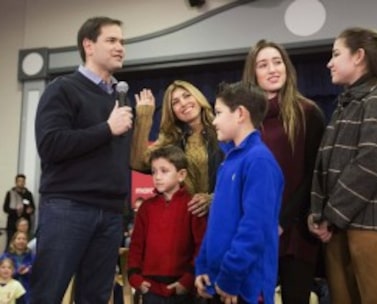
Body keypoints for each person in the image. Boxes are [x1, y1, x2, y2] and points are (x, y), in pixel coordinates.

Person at [308, 27, 377, 304]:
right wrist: (318, 214)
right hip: (342, 226)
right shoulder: (348, 103)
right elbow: (327, 165)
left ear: (358, 56)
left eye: (336, 54)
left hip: (374, 227)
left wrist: (330, 215)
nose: (329, 62)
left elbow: (371, 163)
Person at [31, 16, 132, 303]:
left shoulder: (121, 98)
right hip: (68, 208)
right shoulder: (62, 89)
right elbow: (50, 144)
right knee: (47, 295)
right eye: (111, 40)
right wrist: (106, 129)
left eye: (122, 42)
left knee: (96, 298)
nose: (120, 48)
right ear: (88, 45)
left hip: (111, 214)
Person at [242, 39, 325, 303]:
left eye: (277, 62)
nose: (272, 69)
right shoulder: (242, 119)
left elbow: (315, 174)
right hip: (254, 229)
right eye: (263, 64)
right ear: (253, 73)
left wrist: (281, 221)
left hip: (295, 231)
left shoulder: (309, 113)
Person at [195, 81, 284, 304]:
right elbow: (216, 223)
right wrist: (203, 266)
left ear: (240, 113)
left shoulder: (259, 161)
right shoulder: (229, 162)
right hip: (219, 283)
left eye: (218, 113)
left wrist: (231, 278)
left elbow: (254, 229)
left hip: (244, 288)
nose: (213, 121)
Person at [130, 80, 224, 217]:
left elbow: (239, 176)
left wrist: (214, 199)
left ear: (198, 97)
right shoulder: (172, 141)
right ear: (172, 111)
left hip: (220, 215)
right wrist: (144, 117)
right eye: (175, 102)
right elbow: (138, 163)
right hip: (184, 219)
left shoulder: (222, 130)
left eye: (187, 96)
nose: (183, 103)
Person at [128, 145, 207, 303]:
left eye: (164, 171)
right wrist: (135, 277)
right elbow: (136, 245)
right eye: (154, 171)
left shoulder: (193, 205)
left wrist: (187, 280)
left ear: (181, 175)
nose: (157, 176)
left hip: (183, 289)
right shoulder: (146, 208)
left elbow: (201, 247)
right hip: (151, 288)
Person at [3, 174, 35, 250]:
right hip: (12, 224)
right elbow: (5, 208)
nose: (21, 183)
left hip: (24, 225)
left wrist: (30, 210)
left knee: (24, 245)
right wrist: (16, 211)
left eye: (23, 181)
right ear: (16, 182)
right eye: (19, 181)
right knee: (10, 244)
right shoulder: (10, 193)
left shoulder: (28, 194)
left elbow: (33, 208)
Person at [4, 231, 34, 304]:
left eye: (24, 239)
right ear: (14, 241)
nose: (21, 241)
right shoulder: (5, 257)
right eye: (19, 238)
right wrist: (17, 272)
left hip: (27, 293)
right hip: (8, 292)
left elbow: (39, 274)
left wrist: (29, 271)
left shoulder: (33, 257)